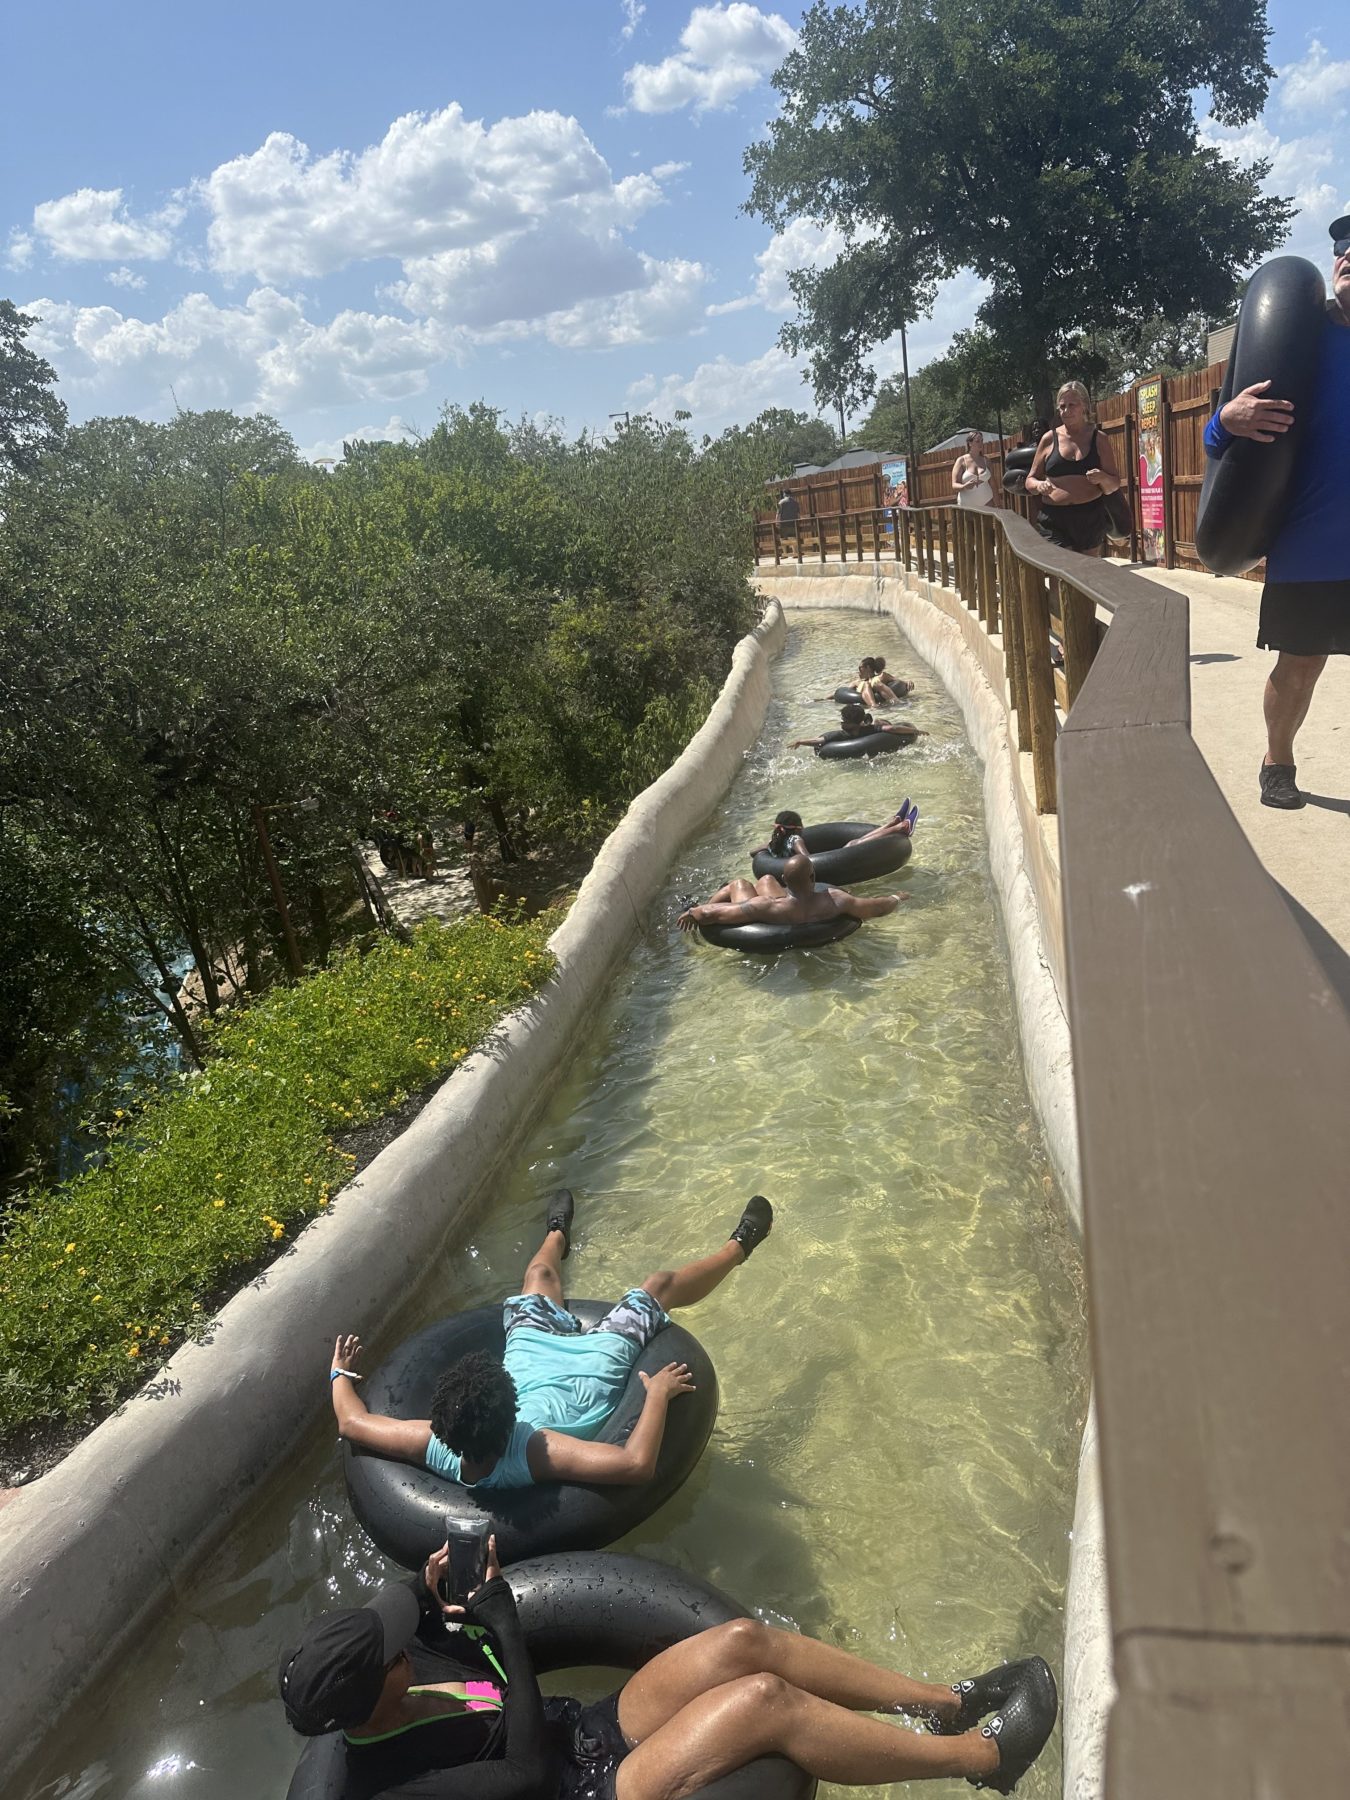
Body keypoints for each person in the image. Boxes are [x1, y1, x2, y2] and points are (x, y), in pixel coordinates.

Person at [277, 1542, 1060, 1797]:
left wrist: (428, 1584)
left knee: (743, 1644)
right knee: (764, 1700)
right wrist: (507, 1627)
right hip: (576, 1792)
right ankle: (983, 1759)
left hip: (579, 1735)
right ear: (372, 1693)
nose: (403, 1642)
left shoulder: (400, 1676)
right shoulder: (387, 1785)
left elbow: (409, 1611)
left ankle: (942, 1704)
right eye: (390, 1649)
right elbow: (518, 1771)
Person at [329, 1189, 773, 1489]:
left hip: (533, 1356)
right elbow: (636, 1467)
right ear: (512, 1415)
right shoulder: (534, 1448)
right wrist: (656, 1394)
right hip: (595, 1363)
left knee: (540, 1275)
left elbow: (353, 1424)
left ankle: (557, 1233)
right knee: (657, 1285)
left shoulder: (438, 1445)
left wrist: (339, 1374)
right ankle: (739, 1247)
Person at [1202, 214, 1350, 809]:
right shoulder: (1300, 337)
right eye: (1344, 252)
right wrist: (1223, 421)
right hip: (1311, 543)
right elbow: (1218, 447)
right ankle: (1277, 760)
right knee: (1299, 666)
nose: (1349, 260)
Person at [677, 849, 908, 934]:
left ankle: (719, 891)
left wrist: (693, 911)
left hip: (781, 911)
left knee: (738, 884)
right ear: (813, 878)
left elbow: (714, 915)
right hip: (805, 908)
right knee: (766, 878)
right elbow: (877, 907)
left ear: (785, 879)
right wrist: (897, 897)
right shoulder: (836, 901)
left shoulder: (765, 906)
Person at [1023, 382, 1122, 556]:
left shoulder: (1099, 439)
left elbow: (1114, 484)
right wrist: (1039, 486)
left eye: (1071, 405)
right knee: (1060, 569)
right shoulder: (1049, 439)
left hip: (1089, 515)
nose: (1066, 411)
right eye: (1062, 406)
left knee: (1086, 574)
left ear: (1084, 405)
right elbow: (1030, 480)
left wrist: (1103, 478)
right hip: (1054, 517)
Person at [751, 802, 920, 861]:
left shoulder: (773, 844)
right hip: (813, 874)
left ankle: (893, 823)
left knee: (852, 843)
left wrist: (769, 850)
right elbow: (808, 859)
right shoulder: (795, 839)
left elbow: (752, 852)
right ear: (796, 828)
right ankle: (899, 827)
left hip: (784, 872)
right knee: (852, 844)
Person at [791, 702, 926, 752]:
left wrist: (915, 731)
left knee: (880, 722)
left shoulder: (868, 729)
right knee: (879, 723)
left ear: (852, 723)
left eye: (844, 720)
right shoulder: (842, 735)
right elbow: (819, 741)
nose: (842, 722)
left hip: (880, 739)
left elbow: (892, 729)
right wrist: (801, 742)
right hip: (870, 741)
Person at [951, 431, 999, 510]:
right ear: (970, 443)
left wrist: (998, 504)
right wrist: (964, 486)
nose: (980, 443)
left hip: (987, 503)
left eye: (982, 441)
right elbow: (954, 485)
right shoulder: (961, 461)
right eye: (977, 441)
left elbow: (993, 484)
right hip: (967, 506)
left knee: (989, 522)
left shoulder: (986, 461)